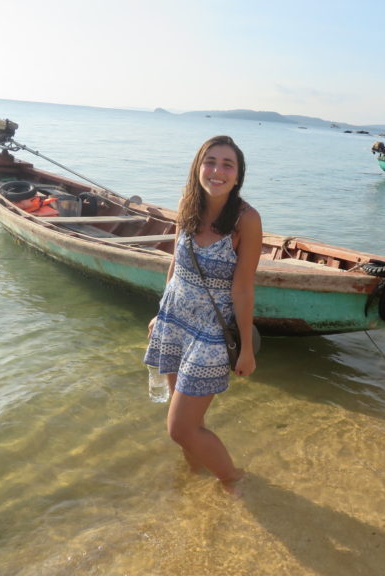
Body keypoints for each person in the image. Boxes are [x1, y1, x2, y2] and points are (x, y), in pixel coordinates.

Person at [144, 135, 262, 491]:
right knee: (187, 426)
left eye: (228, 164)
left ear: (238, 176)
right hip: (175, 320)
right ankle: (192, 476)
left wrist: (246, 349)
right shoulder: (188, 206)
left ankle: (233, 481)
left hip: (210, 331)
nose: (217, 171)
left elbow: (243, 287)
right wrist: (160, 314)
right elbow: (176, 265)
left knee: (179, 426)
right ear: (198, 167)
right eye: (210, 161)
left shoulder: (247, 220)